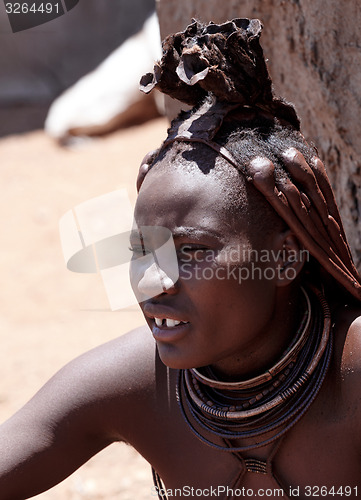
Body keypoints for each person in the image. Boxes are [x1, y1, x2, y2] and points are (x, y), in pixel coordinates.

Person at [1, 18, 361, 499]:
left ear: (283, 259)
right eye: (140, 250)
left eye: (191, 251)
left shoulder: (352, 376)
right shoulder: (139, 382)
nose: (153, 281)